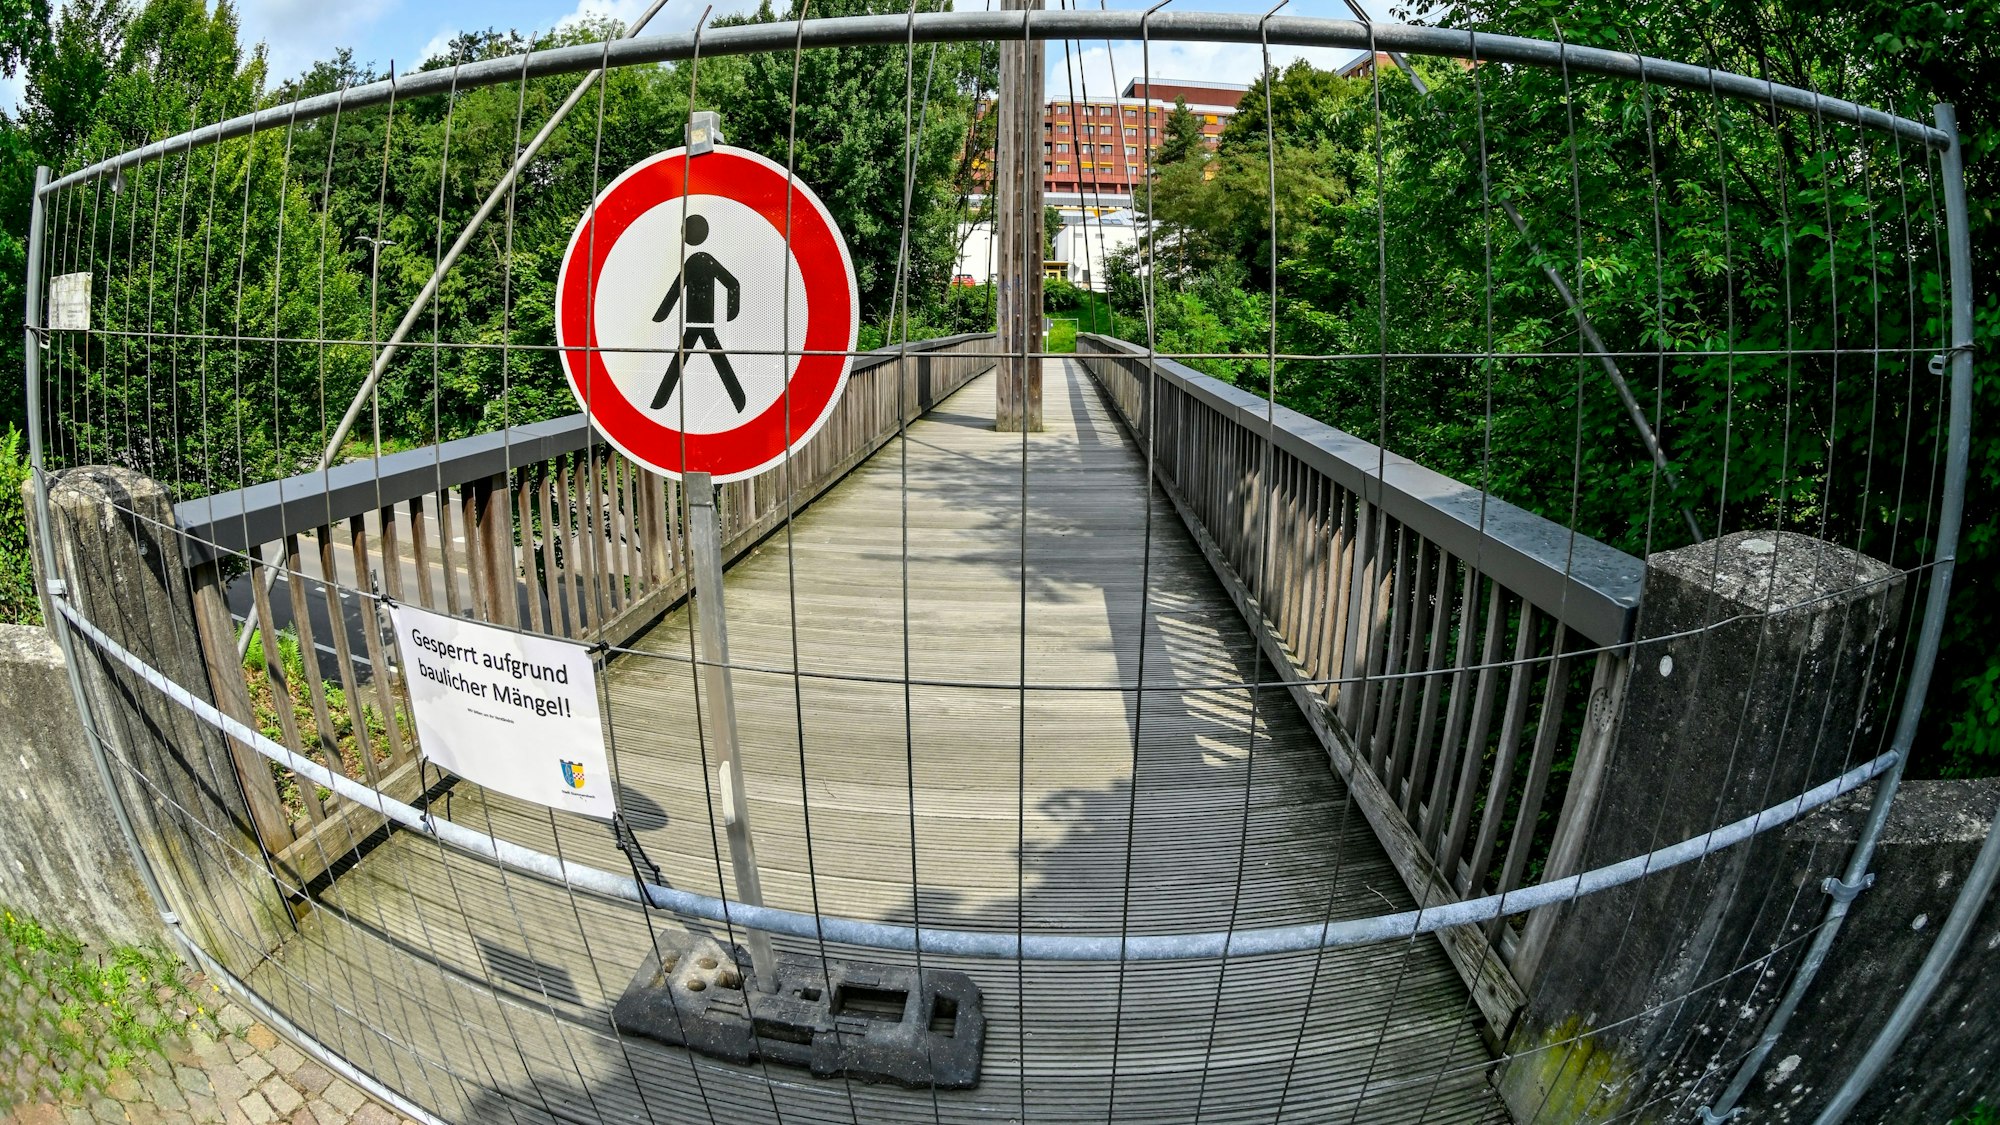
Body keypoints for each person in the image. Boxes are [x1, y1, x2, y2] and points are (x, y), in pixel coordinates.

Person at [651, 214, 745, 412]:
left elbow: (675, 290)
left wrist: (661, 315)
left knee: (681, 360)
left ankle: (658, 402)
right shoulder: (704, 261)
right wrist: (730, 312)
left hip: (696, 324)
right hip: (702, 324)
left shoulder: (696, 261)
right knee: (709, 360)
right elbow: (732, 284)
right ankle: (739, 400)